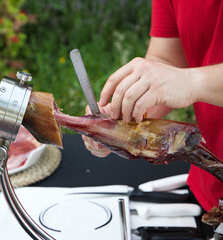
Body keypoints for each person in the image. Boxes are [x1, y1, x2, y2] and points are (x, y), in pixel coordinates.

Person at [83, 0, 223, 212]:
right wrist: (124, 117)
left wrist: (193, 82)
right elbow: (167, 58)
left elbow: (183, 79)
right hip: (210, 182)